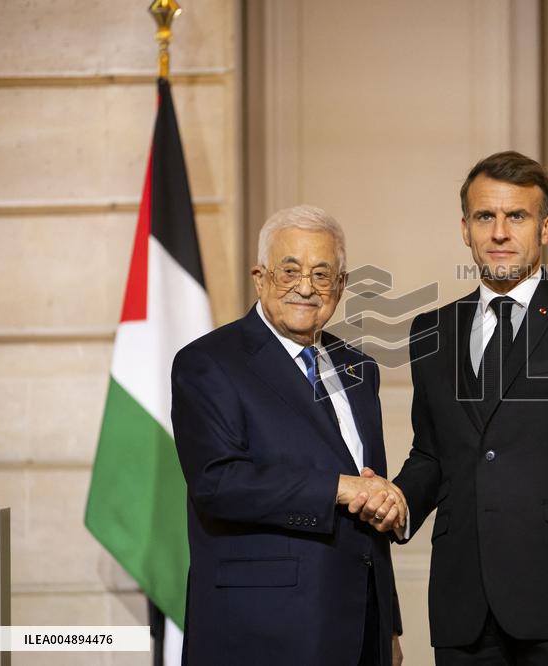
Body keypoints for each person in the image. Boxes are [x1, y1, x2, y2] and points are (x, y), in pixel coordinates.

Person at [363, 152, 548, 665]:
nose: (499, 232)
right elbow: (433, 455)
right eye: (485, 217)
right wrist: (399, 500)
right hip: (463, 607)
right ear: (465, 228)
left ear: (545, 228)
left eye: (515, 217)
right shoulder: (431, 331)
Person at [171, 205, 406, 665]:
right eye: (290, 271)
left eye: (322, 274)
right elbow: (218, 484)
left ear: (340, 286)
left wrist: (388, 624)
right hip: (262, 631)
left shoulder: (360, 369)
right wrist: (340, 488)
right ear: (259, 278)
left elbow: (369, 494)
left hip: (360, 631)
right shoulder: (208, 362)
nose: (305, 287)